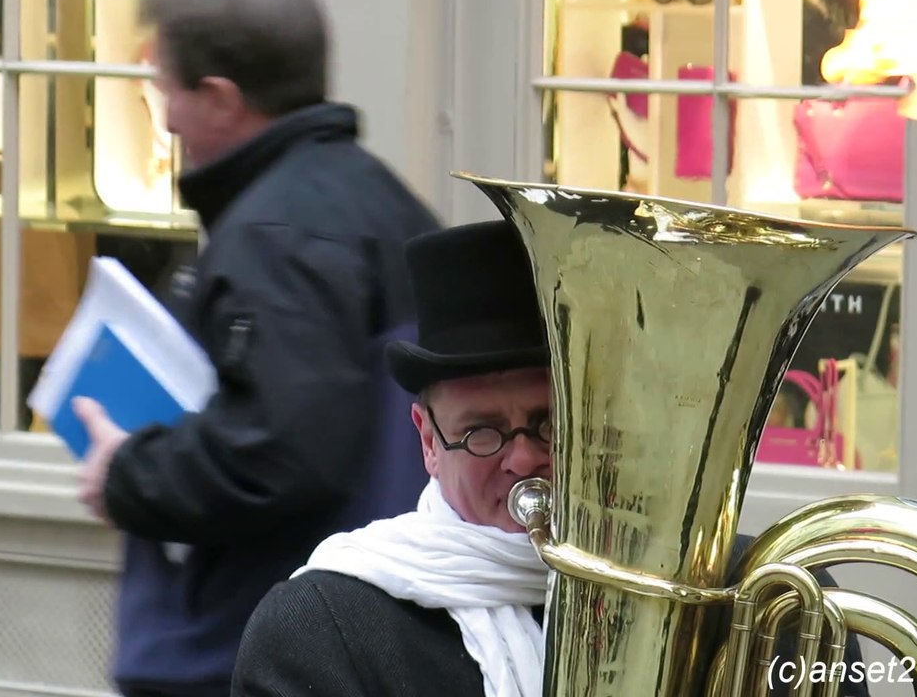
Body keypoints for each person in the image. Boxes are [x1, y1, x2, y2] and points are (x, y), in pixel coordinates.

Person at [230, 220, 872, 697]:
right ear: (427, 439)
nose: (523, 459)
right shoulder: (322, 627)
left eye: (551, 425)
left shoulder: (759, 597)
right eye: (482, 431)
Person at [69, 0, 439, 694]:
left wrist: (128, 473)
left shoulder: (276, 235)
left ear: (220, 97)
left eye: (165, 89)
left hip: (269, 640)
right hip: (363, 631)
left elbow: (281, 452)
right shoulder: (382, 200)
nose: (165, 118)